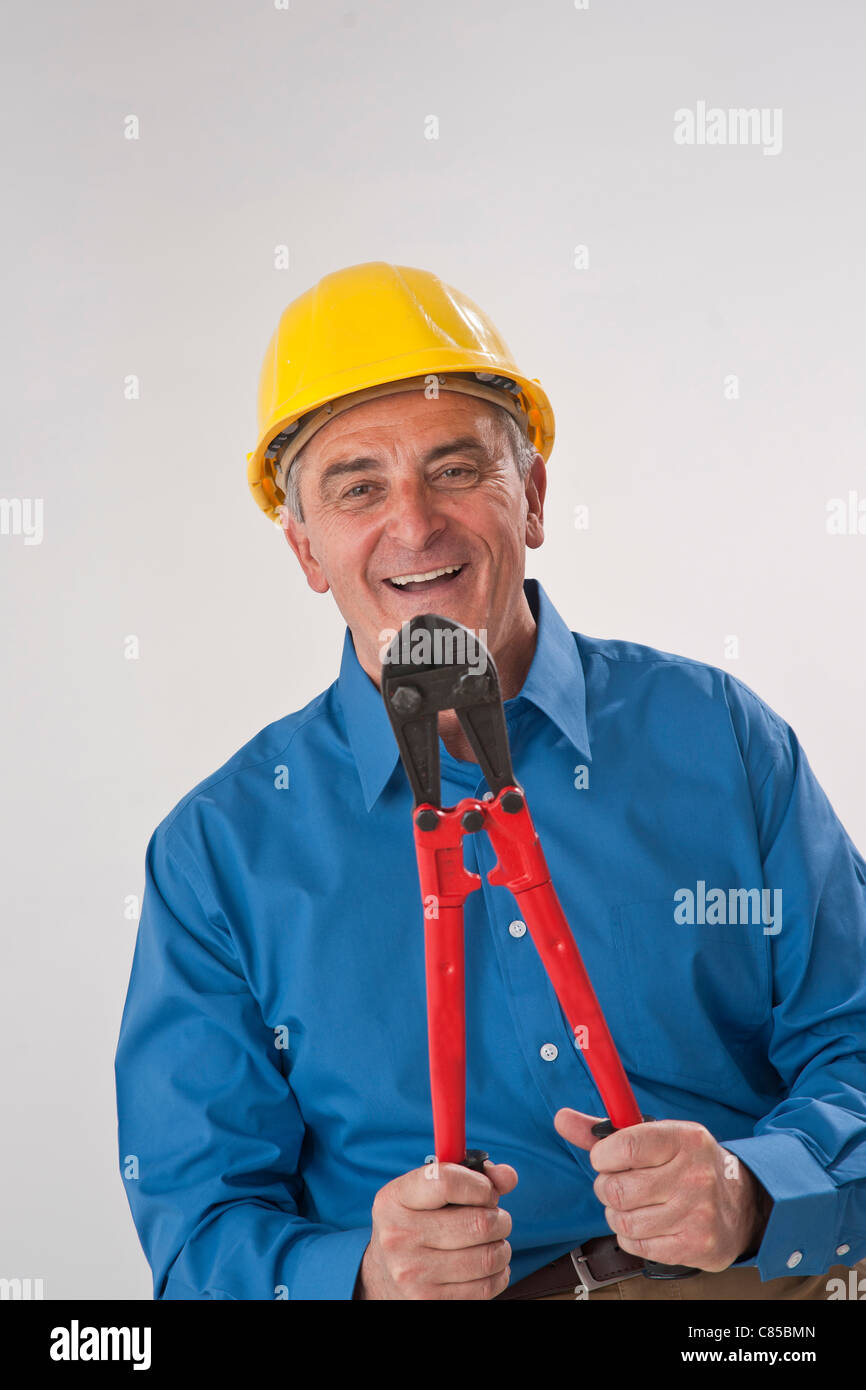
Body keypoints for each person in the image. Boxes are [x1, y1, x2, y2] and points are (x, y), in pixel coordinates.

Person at [114, 261, 866, 1301]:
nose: (414, 524)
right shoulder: (216, 853)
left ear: (535, 496)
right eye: (357, 487)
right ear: (305, 549)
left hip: (752, 1299)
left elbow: (856, 1040)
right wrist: (366, 1275)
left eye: (456, 469)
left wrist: (753, 1186)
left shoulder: (718, 738)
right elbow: (200, 1234)